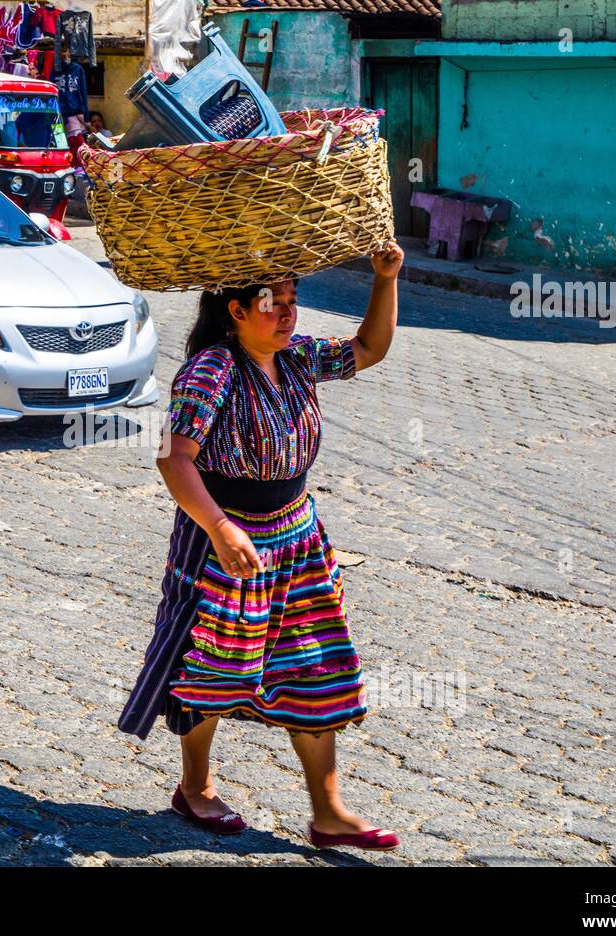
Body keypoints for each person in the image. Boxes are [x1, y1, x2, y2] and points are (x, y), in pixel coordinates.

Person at [118, 241, 407, 851]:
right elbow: (175, 458)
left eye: (292, 301)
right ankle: (195, 787)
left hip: (297, 539)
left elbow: (368, 349)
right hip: (225, 541)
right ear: (235, 309)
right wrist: (221, 529)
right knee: (212, 670)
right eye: (272, 302)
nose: (287, 314)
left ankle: (328, 812)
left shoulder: (298, 357)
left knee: (316, 665)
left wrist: (385, 279)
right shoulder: (212, 370)